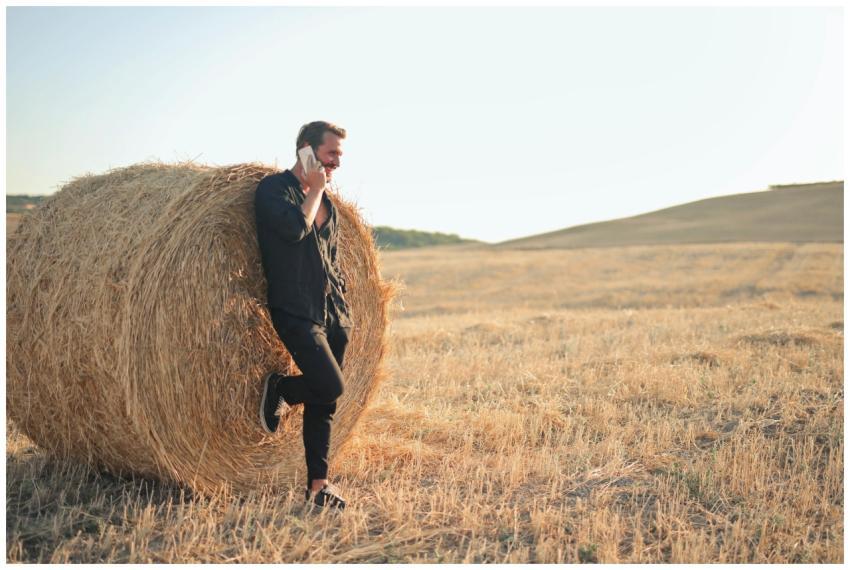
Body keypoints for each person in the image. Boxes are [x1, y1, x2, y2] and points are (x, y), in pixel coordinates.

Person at [254, 121, 353, 510]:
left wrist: (344, 304)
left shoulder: (329, 203)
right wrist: (315, 189)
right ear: (306, 151)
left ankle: (318, 486)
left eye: (340, 157)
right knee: (331, 385)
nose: (337, 163)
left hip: (334, 315)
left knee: (325, 402)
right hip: (295, 307)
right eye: (331, 155)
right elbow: (296, 229)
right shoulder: (274, 190)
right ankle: (282, 389)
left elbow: (333, 258)